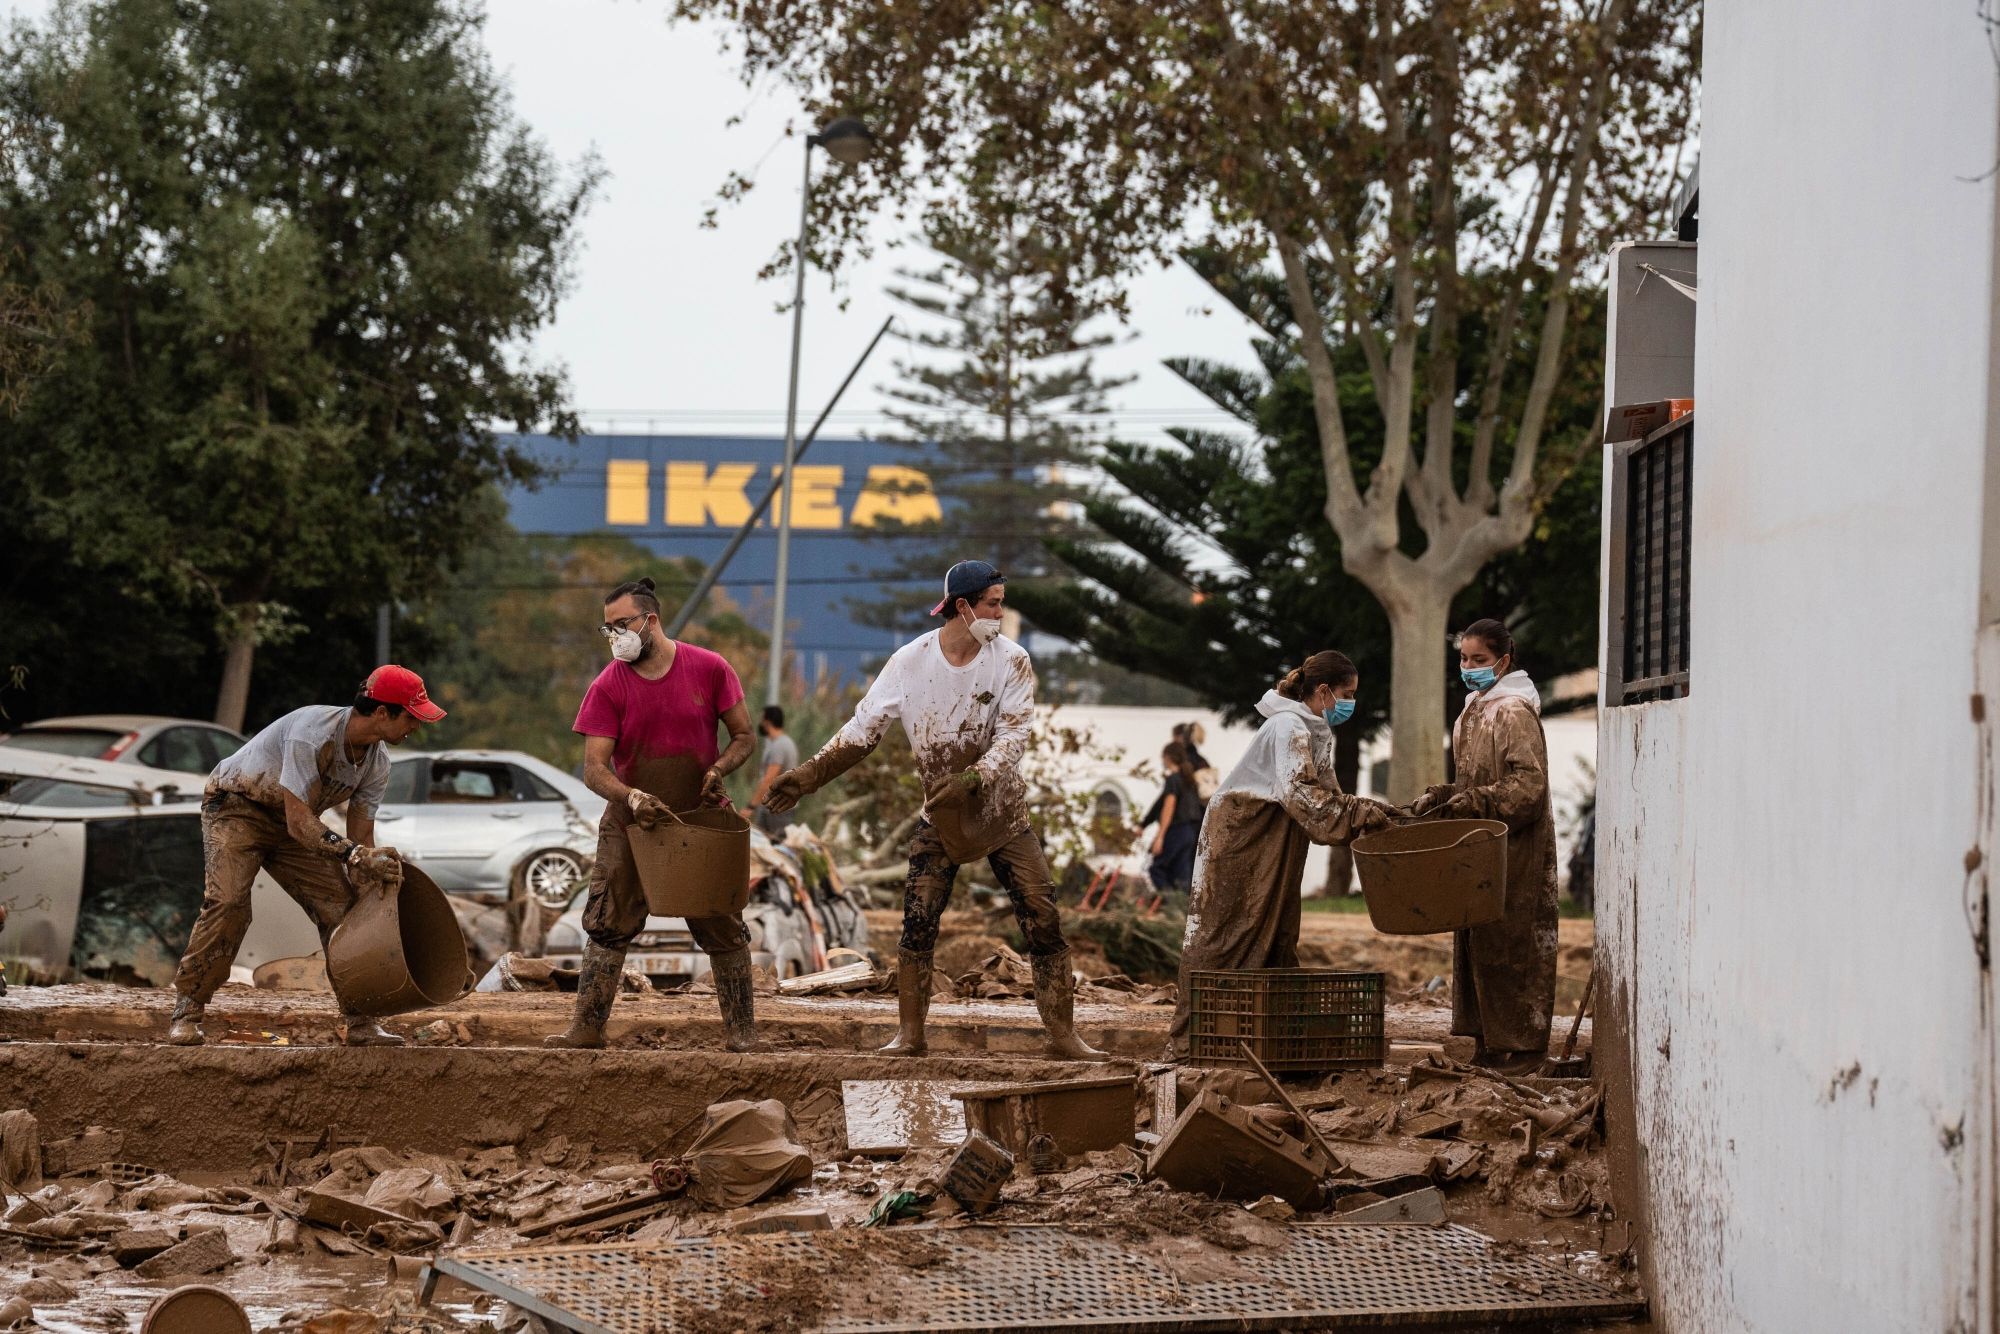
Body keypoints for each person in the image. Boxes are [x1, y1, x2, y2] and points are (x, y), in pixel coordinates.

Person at [765, 559, 1104, 1060]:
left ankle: (1063, 1035)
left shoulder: (1011, 660)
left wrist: (974, 777)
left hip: (1002, 814)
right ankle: (910, 1035)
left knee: (1041, 914)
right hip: (938, 818)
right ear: (963, 607)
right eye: (993, 604)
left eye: (1001, 604)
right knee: (918, 919)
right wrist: (810, 775)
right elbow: (863, 730)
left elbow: (1014, 735)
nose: (1000, 613)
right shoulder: (910, 662)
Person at [166, 666, 444, 1046]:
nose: (416, 727)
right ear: (382, 713)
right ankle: (188, 1010)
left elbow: (359, 833)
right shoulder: (312, 734)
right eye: (412, 717)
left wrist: (372, 879)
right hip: (237, 807)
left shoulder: (377, 763)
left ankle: (361, 1020)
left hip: (293, 822)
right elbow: (302, 825)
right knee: (228, 902)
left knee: (344, 911)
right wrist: (357, 856)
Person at [544, 577, 759, 1051]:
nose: (615, 635)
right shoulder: (607, 686)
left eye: (622, 624)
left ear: (651, 621)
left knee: (723, 925)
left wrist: (719, 769)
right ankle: (586, 1028)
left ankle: (742, 1034)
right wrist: (632, 797)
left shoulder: (709, 668)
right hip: (631, 824)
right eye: (607, 628)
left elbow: (744, 736)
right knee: (606, 925)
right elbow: (594, 770)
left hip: (698, 819)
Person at [1169, 651, 1396, 1055]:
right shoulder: (1288, 726)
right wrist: (1358, 815)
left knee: (1276, 930)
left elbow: (1329, 796)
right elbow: (1301, 795)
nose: (1351, 703)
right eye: (1347, 693)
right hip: (1243, 835)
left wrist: (1372, 815)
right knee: (1224, 934)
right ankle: (1191, 1042)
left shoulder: (1317, 729)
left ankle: (1258, 1040)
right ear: (1324, 691)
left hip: (1277, 838)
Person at [1407, 618, 1558, 1074]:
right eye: (1463, 659)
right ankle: (1486, 1042)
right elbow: (1474, 780)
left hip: (1516, 850)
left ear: (1503, 661)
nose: (1468, 667)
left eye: (1480, 660)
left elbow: (1528, 788)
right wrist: (1446, 794)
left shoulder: (1513, 710)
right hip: (1478, 847)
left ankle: (1524, 1048)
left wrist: (1477, 799)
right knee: (1477, 938)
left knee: (1515, 942)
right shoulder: (1473, 709)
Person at [1146, 740, 1205, 897]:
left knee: (1157, 869)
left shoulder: (1173, 780)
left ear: (1168, 757)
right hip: (1191, 832)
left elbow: (1168, 808)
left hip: (1177, 830)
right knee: (1181, 875)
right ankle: (1182, 910)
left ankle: (1171, 904)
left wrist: (1160, 837)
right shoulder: (1190, 781)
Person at [746, 706, 799, 839]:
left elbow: (769, 779)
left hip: (778, 811)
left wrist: (750, 806)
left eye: (762, 720)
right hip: (772, 809)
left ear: (767, 722)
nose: (760, 723)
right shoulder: (781, 743)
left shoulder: (779, 746)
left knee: (775, 849)